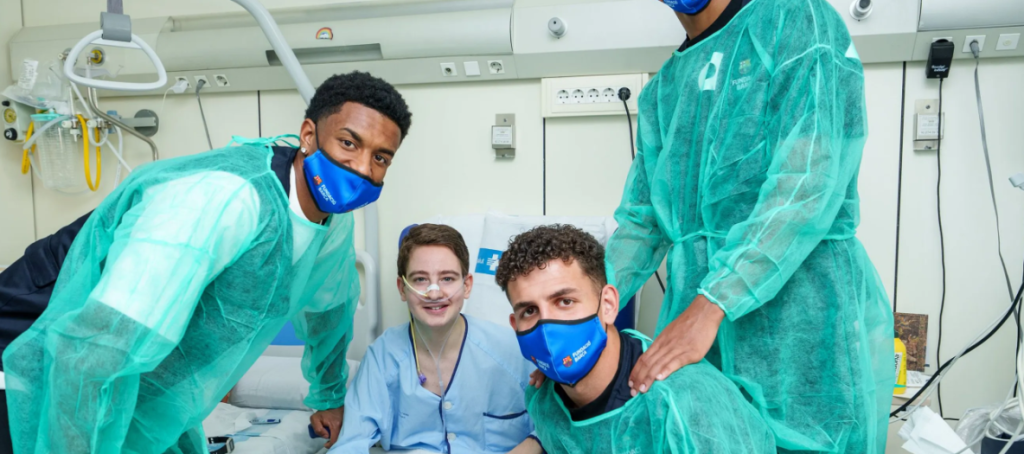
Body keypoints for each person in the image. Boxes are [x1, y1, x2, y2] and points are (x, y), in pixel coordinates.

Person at [605, 0, 894, 453]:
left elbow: (807, 184)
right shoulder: (663, 93)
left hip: (802, 321)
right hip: (701, 332)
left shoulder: (794, 24)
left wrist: (712, 304)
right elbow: (642, 221)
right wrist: (587, 309)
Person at [0, 71, 412, 453]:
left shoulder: (333, 220)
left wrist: (329, 397)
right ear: (309, 135)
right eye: (349, 143)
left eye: (381, 158)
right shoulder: (223, 200)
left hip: (128, 369)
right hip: (33, 348)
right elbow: (86, 353)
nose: (362, 168)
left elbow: (329, 312)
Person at [496, 224, 775, 454]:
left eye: (565, 301)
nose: (547, 327)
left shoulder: (683, 401)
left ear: (608, 305)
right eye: (529, 311)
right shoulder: (545, 401)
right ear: (515, 325)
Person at [332, 224, 541, 454]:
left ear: (467, 285)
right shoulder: (383, 357)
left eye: (447, 278)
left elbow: (557, 425)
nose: (434, 293)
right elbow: (351, 442)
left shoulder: (515, 352)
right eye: (420, 279)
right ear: (402, 288)